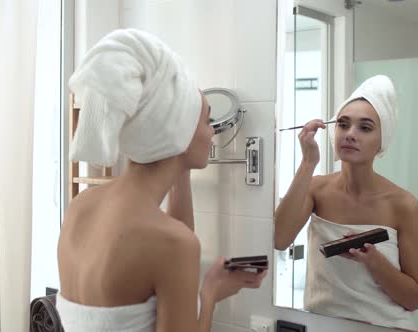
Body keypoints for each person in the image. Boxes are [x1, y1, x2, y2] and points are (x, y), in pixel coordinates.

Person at [57, 29, 267, 332]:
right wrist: (210, 295)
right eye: (207, 120)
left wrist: (179, 163)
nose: (212, 133)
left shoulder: (83, 205)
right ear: (178, 132)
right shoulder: (171, 244)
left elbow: (171, 238)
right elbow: (173, 243)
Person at [274, 75, 418, 331]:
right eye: (343, 125)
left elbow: (414, 299)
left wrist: (373, 261)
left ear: (382, 142)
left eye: (364, 128)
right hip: (321, 324)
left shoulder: (403, 204)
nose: (350, 134)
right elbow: (279, 238)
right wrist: (308, 162)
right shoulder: (316, 189)